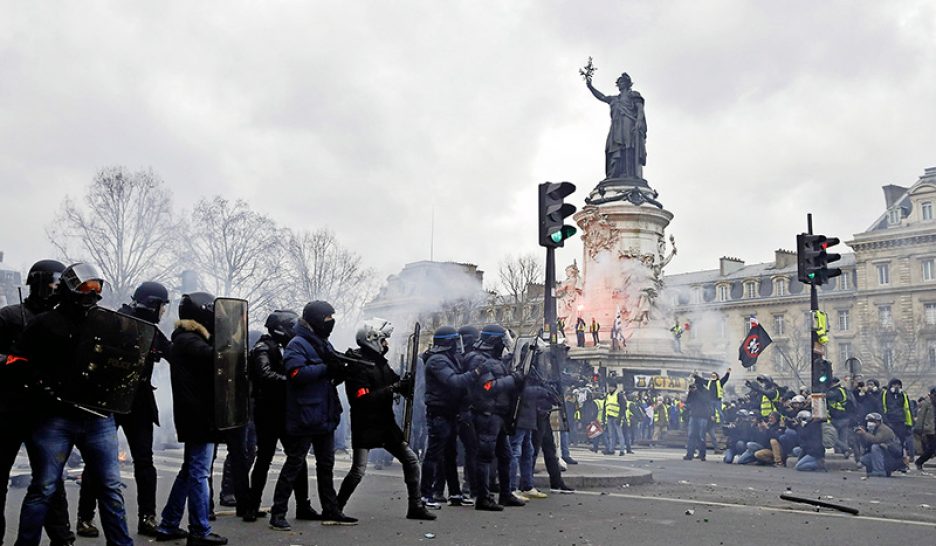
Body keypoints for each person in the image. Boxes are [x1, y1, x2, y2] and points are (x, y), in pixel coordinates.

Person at [15, 264, 134, 546]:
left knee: (111, 488)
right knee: (43, 487)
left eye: (96, 289)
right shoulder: (44, 323)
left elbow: (121, 361)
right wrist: (39, 387)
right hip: (56, 417)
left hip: (97, 416)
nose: (92, 294)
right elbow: (19, 360)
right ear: (70, 288)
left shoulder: (106, 323)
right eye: (85, 288)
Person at [76, 281, 170, 538]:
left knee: (144, 462)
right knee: (98, 461)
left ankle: (147, 518)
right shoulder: (117, 322)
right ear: (152, 305)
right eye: (161, 307)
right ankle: (85, 517)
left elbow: (172, 352)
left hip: (138, 403)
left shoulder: (151, 330)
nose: (163, 313)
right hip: (110, 402)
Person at [0, 259, 74, 546]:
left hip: (45, 412)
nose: (56, 289)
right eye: (54, 283)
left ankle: (61, 536)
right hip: (9, 408)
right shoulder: (9, 317)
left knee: (51, 480)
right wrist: (11, 361)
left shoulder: (63, 321)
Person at [336, 318, 435, 520]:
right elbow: (361, 399)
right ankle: (336, 508)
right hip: (365, 423)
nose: (386, 345)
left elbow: (393, 380)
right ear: (372, 339)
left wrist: (404, 384)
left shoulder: (379, 362)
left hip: (384, 422)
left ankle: (415, 506)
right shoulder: (358, 365)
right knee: (358, 470)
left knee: (411, 460)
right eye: (383, 340)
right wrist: (393, 389)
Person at [269, 301, 356, 530]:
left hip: (323, 413)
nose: (331, 322)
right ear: (316, 319)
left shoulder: (322, 342)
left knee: (326, 464)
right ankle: (278, 513)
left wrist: (341, 369)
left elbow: (328, 377)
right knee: (294, 464)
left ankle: (331, 509)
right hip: (305, 413)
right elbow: (296, 373)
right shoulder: (297, 344)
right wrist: (326, 367)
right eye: (327, 318)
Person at [154, 292, 228, 546]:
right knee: (199, 473)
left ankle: (168, 525)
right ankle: (199, 530)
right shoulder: (189, 340)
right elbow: (215, 359)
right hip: (199, 416)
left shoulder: (188, 339)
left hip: (198, 415)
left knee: (189, 472)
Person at [245, 310, 319, 522]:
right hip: (268, 411)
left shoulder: (290, 347)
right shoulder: (262, 348)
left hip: (286, 410)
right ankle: (252, 506)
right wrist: (294, 380)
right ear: (281, 328)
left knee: (297, 457)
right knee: (265, 458)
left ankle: (303, 505)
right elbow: (265, 374)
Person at [464, 325, 525, 511]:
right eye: (502, 340)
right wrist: (513, 379)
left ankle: (505, 495)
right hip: (486, 415)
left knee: (505, 456)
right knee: (485, 457)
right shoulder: (478, 359)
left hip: (497, 415)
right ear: (493, 341)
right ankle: (483, 498)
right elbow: (488, 387)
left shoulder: (492, 360)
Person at [418, 326, 478, 509]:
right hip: (439, 413)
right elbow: (454, 381)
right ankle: (425, 494)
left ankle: (455, 493)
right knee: (434, 454)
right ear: (448, 342)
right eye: (454, 341)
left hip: (451, 412)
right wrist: (475, 373)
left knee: (450, 454)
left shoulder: (449, 358)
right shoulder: (437, 361)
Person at [585, 70, 647, 180]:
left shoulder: (634, 95)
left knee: (628, 146)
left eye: (622, 82)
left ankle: (630, 174)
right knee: (612, 148)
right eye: (619, 82)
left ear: (628, 83)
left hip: (628, 122)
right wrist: (590, 86)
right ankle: (615, 173)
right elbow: (602, 97)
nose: (620, 84)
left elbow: (640, 110)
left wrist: (638, 121)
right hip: (616, 127)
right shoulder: (615, 99)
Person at [856, 412, 903, 477]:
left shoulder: (884, 429)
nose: (870, 422)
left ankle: (879, 471)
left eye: (872, 421)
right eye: (869, 421)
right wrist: (861, 435)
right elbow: (866, 445)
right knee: (864, 459)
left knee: (875, 447)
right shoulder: (872, 430)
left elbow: (876, 440)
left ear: (878, 421)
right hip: (885, 456)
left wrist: (864, 433)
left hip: (893, 457)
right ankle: (882, 471)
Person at [882, 378, 914, 468]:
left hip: (901, 422)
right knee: (890, 443)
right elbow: (882, 407)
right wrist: (885, 421)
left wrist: (909, 423)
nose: (896, 387)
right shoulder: (885, 394)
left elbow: (907, 409)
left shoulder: (903, 395)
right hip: (890, 422)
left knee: (901, 443)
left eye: (898, 385)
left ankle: (901, 464)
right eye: (894, 385)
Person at [825, 377, 854, 457]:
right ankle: (844, 454)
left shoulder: (836, 391)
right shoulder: (844, 390)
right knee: (843, 438)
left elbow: (828, 396)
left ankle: (846, 449)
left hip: (838, 417)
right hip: (845, 417)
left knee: (832, 437)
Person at [683, 379, 710, 461]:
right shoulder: (693, 392)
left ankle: (702, 455)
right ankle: (689, 454)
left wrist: (696, 392)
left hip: (702, 416)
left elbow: (705, 401)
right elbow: (688, 401)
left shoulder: (706, 391)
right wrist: (690, 392)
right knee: (691, 435)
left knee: (701, 436)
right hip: (693, 415)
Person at [914, 387, 936, 470]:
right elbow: (921, 416)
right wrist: (919, 428)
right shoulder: (927, 403)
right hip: (930, 429)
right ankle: (919, 462)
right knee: (931, 449)